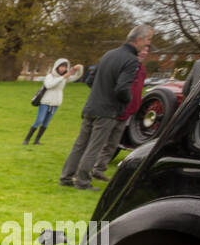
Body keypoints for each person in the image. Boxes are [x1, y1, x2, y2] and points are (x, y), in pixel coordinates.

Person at [60, 24, 153, 190]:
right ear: (139, 40)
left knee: (80, 144)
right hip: (108, 111)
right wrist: (126, 102)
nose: (147, 45)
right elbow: (122, 88)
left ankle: (66, 177)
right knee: (94, 147)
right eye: (147, 41)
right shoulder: (131, 60)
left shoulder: (108, 54)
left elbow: (90, 80)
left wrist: (100, 93)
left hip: (91, 106)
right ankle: (82, 182)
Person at [90, 43, 148, 180]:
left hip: (128, 112)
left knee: (113, 143)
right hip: (114, 109)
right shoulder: (127, 64)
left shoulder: (142, 69)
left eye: (147, 50)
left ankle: (99, 169)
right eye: (143, 49)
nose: (144, 52)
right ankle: (85, 170)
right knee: (99, 140)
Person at [25, 57, 84, 146]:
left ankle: (36, 141)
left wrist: (79, 68)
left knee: (46, 122)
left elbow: (77, 76)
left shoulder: (66, 78)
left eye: (65, 67)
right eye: (61, 66)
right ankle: (27, 139)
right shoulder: (50, 76)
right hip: (45, 102)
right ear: (57, 66)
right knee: (39, 120)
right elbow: (49, 85)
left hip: (56, 103)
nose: (63, 68)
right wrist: (63, 77)